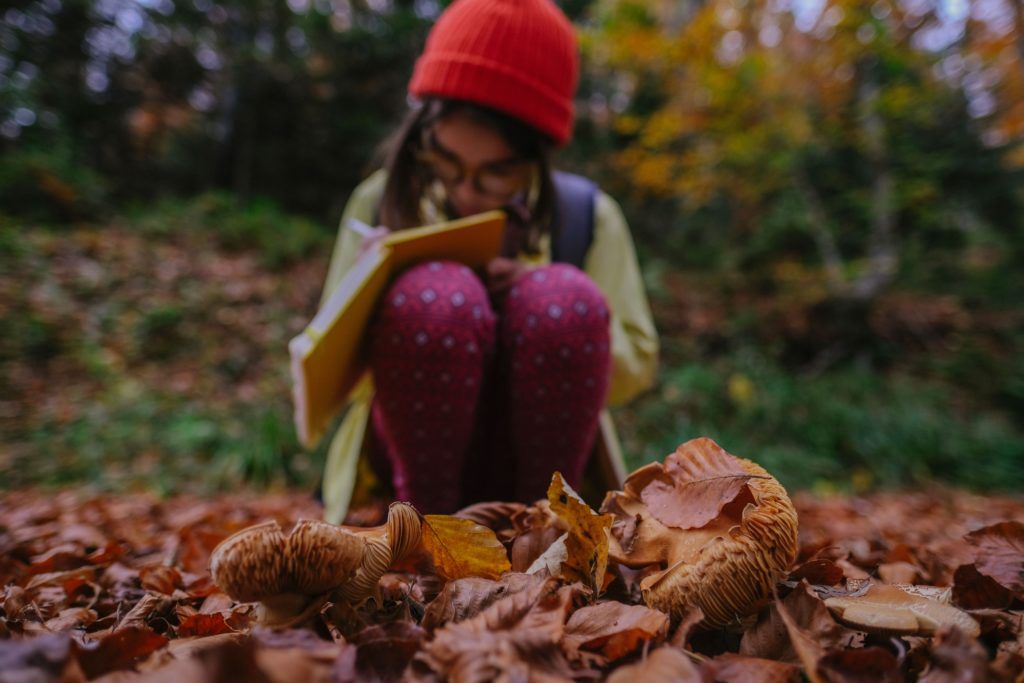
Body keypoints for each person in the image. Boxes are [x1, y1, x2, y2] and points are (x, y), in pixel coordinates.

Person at [318, 0, 658, 522]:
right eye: (447, 164)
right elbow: (325, 374)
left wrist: (549, 305)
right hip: (406, 461)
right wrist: (375, 302)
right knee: (434, 298)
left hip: (543, 452)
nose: (467, 192)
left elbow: (637, 363)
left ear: (536, 158)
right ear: (423, 130)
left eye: (494, 173)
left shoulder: (587, 218)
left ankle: (545, 533)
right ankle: (426, 535)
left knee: (562, 301)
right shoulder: (380, 200)